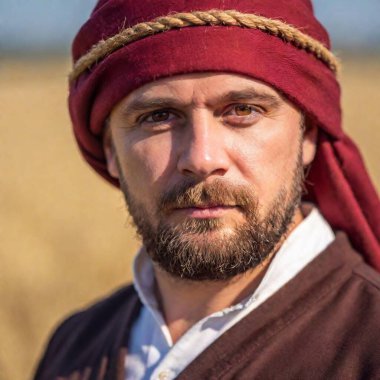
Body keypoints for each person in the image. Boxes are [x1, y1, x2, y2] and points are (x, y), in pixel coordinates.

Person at [34, 1, 380, 379]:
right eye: (158, 116)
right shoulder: (72, 349)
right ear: (110, 151)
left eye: (243, 110)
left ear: (307, 134)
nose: (201, 158)